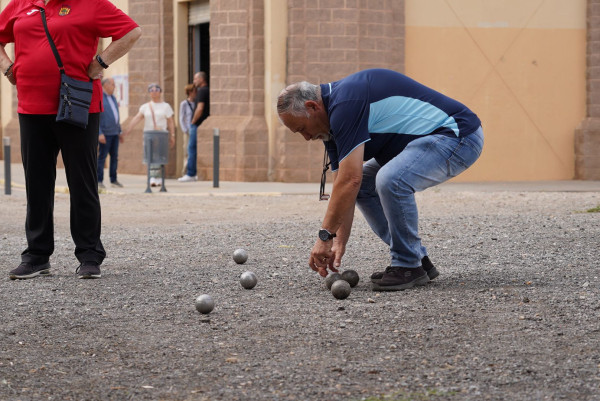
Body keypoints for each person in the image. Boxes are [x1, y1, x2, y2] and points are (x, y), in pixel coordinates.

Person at [277, 68, 484, 291]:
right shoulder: (331, 125)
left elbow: (349, 180)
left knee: (391, 180)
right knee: (367, 183)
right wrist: (338, 240)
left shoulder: (346, 102)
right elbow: (344, 187)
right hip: (433, 142)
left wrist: (324, 237)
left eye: (302, 129)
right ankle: (416, 259)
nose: (307, 138)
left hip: (458, 136)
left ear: (312, 107)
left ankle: (407, 265)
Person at [1, 0, 141, 280]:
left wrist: (100, 62)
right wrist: (7, 68)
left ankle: (89, 255)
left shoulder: (91, 4)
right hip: (31, 107)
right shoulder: (21, 5)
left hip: (78, 104)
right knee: (37, 182)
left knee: (82, 181)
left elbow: (131, 31)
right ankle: (37, 256)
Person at [122, 83, 175, 187]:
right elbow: (137, 118)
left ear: (160, 92)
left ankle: (159, 177)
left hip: (161, 135)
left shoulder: (166, 106)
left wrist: (172, 135)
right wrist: (128, 129)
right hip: (149, 135)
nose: (154, 92)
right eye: (152, 90)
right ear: (149, 93)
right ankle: (152, 177)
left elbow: (170, 121)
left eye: (156, 90)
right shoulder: (145, 107)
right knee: (150, 156)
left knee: (160, 156)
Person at [178, 71, 209, 182]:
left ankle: (190, 173)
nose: (194, 81)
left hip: (196, 125)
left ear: (201, 79)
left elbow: (200, 108)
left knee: (191, 149)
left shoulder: (201, 92)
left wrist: (193, 121)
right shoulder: (208, 91)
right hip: (203, 124)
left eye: (196, 79)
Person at [98, 77, 123, 189]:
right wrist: (99, 133)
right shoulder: (99, 97)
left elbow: (116, 115)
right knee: (102, 157)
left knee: (114, 157)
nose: (114, 87)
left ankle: (113, 180)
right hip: (105, 133)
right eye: (112, 84)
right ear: (106, 85)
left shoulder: (112, 98)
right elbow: (96, 117)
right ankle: (99, 180)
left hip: (114, 133)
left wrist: (120, 131)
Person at [178, 83, 196, 176]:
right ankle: (185, 171)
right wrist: (185, 129)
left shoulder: (197, 103)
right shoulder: (184, 104)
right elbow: (181, 117)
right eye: (193, 91)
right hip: (188, 130)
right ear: (189, 92)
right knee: (187, 151)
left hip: (195, 129)